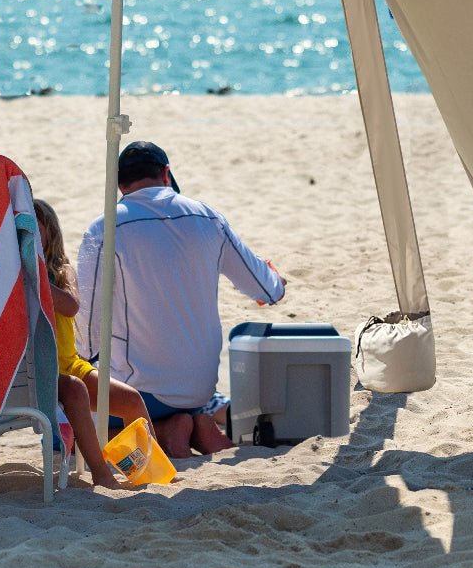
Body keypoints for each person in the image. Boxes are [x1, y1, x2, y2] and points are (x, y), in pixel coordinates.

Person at [76, 141, 286, 459]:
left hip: (141, 392)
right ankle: (197, 422)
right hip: (199, 388)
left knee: (69, 421)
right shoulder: (209, 217)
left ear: (119, 184)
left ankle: (165, 430)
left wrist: (84, 366)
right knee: (194, 386)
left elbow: (89, 324)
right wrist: (276, 280)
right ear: (166, 173)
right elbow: (267, 291)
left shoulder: (106, 226)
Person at [33, 198, 154, 487]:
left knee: (131, 400)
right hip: (36, 370)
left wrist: (35, 278)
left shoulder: (62, 271)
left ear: (50, 232)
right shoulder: (4, 275)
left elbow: (71, 306)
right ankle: (102, 475)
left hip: (71, 365)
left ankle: (146, 470)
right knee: (74, 393)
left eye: (35, 230)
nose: (29, 237)